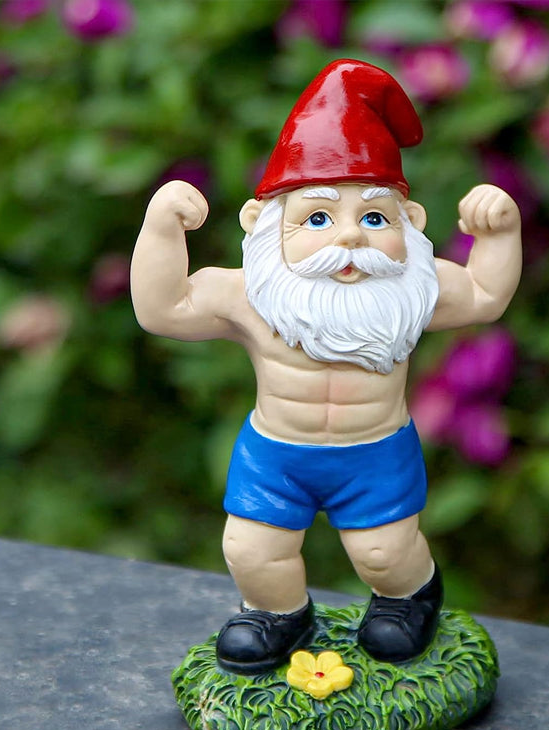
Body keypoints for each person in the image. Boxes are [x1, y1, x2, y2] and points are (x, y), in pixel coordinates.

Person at [131, 60, 521, 674]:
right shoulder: (249, 296)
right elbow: (163, 309)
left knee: (385, 553)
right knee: (252, 550)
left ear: (411, 224)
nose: (350, 238)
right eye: (317, 217)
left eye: (374, 217)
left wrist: (499, 233)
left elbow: (486, 294)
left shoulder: (414, 291)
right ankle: (276, 614)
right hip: (277, 455)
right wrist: (160, 230)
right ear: (263, 225)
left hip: (375, 452)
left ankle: (409, 599)